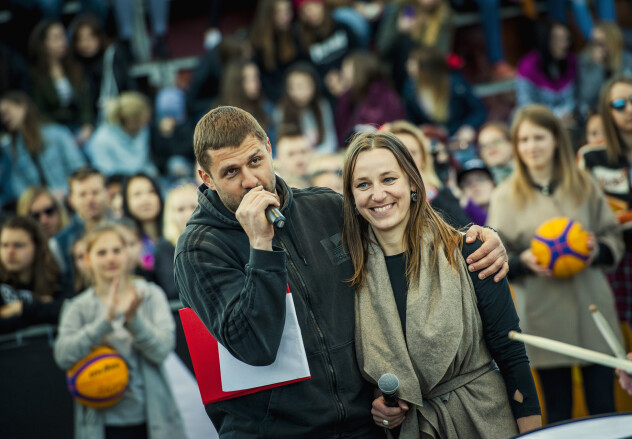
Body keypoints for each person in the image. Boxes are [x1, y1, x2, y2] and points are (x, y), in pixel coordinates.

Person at [174, 106, 510, 438]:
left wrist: (474, 238)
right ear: (206, 178)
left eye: (255, 161)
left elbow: (402, 237)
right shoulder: (199, 247)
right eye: (230, 172)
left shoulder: (325, 207)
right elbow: (255, 347)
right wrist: (260, 245)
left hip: (363, 426)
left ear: (269, 150)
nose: (250, 180)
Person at [342, 130, 541, 436]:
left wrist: (532, 435)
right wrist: (382, 408)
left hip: (485, 421)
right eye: (363, 185)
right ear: (352, 197)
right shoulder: (350, 273)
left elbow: (512, 354)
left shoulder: (470, 251)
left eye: (389, 179)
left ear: (412, 183)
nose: (377, 194)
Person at [489, 104, 625, 423]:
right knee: (559, 411)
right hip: (543, 315)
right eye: (523, 140)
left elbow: (613, 235)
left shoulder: (584, 183)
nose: (531, 147)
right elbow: (497, 257)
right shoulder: (504, 196)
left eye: (539, 137)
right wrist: (521, 261)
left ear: (555, 140)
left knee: (604, 407)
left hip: (592, 308)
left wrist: (597, 250)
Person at [53, 222, 186, 439]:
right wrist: (104, 322)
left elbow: (162, 350)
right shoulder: (77, 307)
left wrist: (134, 322)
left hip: (153, 419)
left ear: (128, 253)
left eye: (117, 250)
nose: (111, 258)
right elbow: (63, 355)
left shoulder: (151, 295)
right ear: (87, 259)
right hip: (103, 424)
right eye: (102, 252)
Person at [578, 76, 632, 345]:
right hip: (625, 268)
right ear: (607, 112)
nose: (630, 109)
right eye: (619, 104)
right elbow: (587, 218)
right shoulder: (592, 158)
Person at [380, 120, 471, 229]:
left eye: (412, 153)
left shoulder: (442, 194)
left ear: (423, 159)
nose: (405, 159)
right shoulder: (378, 196)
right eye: (398, 152)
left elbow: (467, 232)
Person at [0, 91, 87, 202]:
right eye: (1, 116)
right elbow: (18, 185)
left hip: (70, 197)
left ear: (22, 107)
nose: (5, 118)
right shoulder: (11, 148)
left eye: (7, 112)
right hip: (39, 206)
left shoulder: (57, 134)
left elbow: (78, 168)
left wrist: (66, 191)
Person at [27, 19, 94, 143]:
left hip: (79, 126)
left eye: (64, 36)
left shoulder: (76, 68)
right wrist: (62, 134)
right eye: (56, 38)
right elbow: (40, 111)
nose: (63, 42)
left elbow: (86, 103)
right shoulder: (34, 76)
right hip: (54, 130)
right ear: (43, 43)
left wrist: (87, 126)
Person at [50, 167, 111, 296]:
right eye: (82, 194)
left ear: (107, 193)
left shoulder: (127, 228)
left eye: (95, 192)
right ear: (71, 200)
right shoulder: (59, 244)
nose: (90, 200)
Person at [0, 216, 65, 333]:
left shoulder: (56, 281)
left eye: (18, 245)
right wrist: (41, 310)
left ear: (37, 247)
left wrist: (21, 308)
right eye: (4, 245)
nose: (9, 252)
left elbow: (66, 313)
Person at [516, 20, 577, 122]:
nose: (564, 44)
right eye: (558, 39)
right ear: (546, 40)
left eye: (566, 39)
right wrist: (557, 115)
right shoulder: (528, 65)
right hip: (539, 122)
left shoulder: (571, 61)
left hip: (569, 121)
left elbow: (578, 97)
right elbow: (526, 105)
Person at [86, 91, 157, 177]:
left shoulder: (143, 132)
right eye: (143, 121)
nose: (145, 124)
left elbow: (147, 163)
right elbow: (106, 174)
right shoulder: (101, 140)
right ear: (131, 121)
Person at [577, 22, 632, 119]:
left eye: (601, 43)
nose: (597, 47)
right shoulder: (586, 59)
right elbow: (587, 96)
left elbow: (628, 88)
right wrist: (598, 66)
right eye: (594, 42)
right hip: (596, 112)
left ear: (612, 42)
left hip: (622, 108)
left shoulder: (628, 59)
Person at [276, 62, 338, 153]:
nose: (302, 91)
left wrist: (314, 157)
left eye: (307, 85)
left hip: (321, 159)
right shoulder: (281, 111)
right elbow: (279, 147)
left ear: (314, 86)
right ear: (288, 89)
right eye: (297, 86)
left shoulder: (322, 106)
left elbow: (330, 141)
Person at [155, 183, 198, 300]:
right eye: (180, 209)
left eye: (194, 207)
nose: (189, 214)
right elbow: (174, 290)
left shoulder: (218, 239)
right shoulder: (164, 247)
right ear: (171, 215)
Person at [121, 173, 164, 284]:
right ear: (126, 201)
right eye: (137, 194)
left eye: (151, 192)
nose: (145, 199)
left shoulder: (173, 233)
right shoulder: (124, 242)